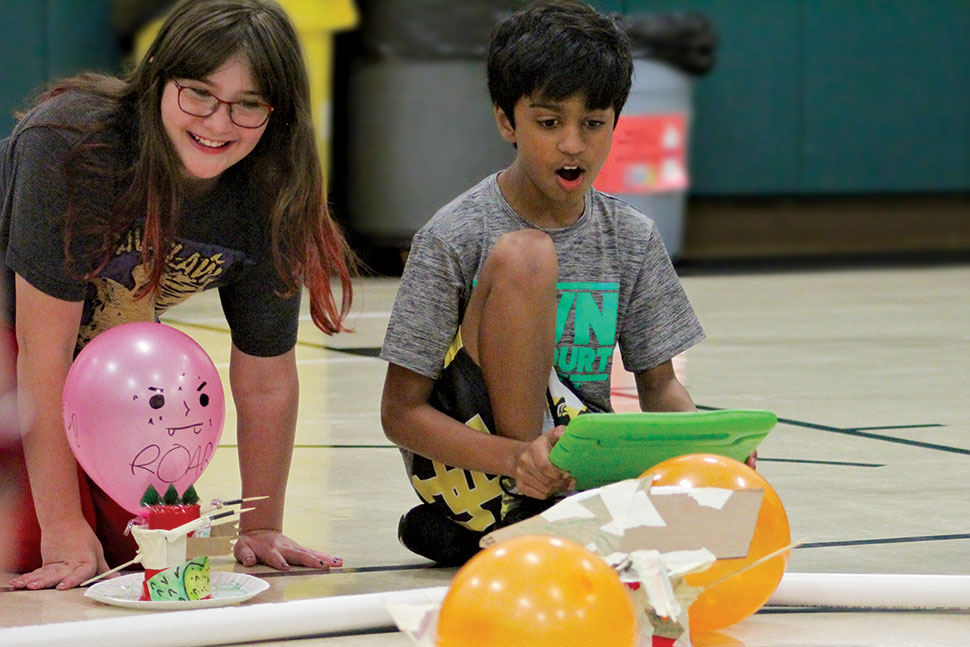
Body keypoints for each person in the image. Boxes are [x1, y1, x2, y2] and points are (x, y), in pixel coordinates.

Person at [1, 0, 354, 590]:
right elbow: (43, 349)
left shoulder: (273, 187)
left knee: (139, 547)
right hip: (20, 332)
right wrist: (62, 525)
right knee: (35, 544)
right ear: (156, 80)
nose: (219, 124)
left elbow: (266, 377)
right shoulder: (71, 142)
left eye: (249, 105)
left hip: (94, 354)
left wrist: (262, 525)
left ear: (279, 113)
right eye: (198, 94)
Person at [380, 0, 710, 566]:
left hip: (574, 469)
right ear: (507, 121)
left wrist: (706, 459)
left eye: (593, 123)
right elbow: (400, 414)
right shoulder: (454, 234)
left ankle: (500, 533)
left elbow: (661, 389)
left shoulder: (630, 236)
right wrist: (516, 459)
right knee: (528, 254)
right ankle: (521, 518)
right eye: (549, 122)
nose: (573, 145)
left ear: (615, 123)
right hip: (479, 472)